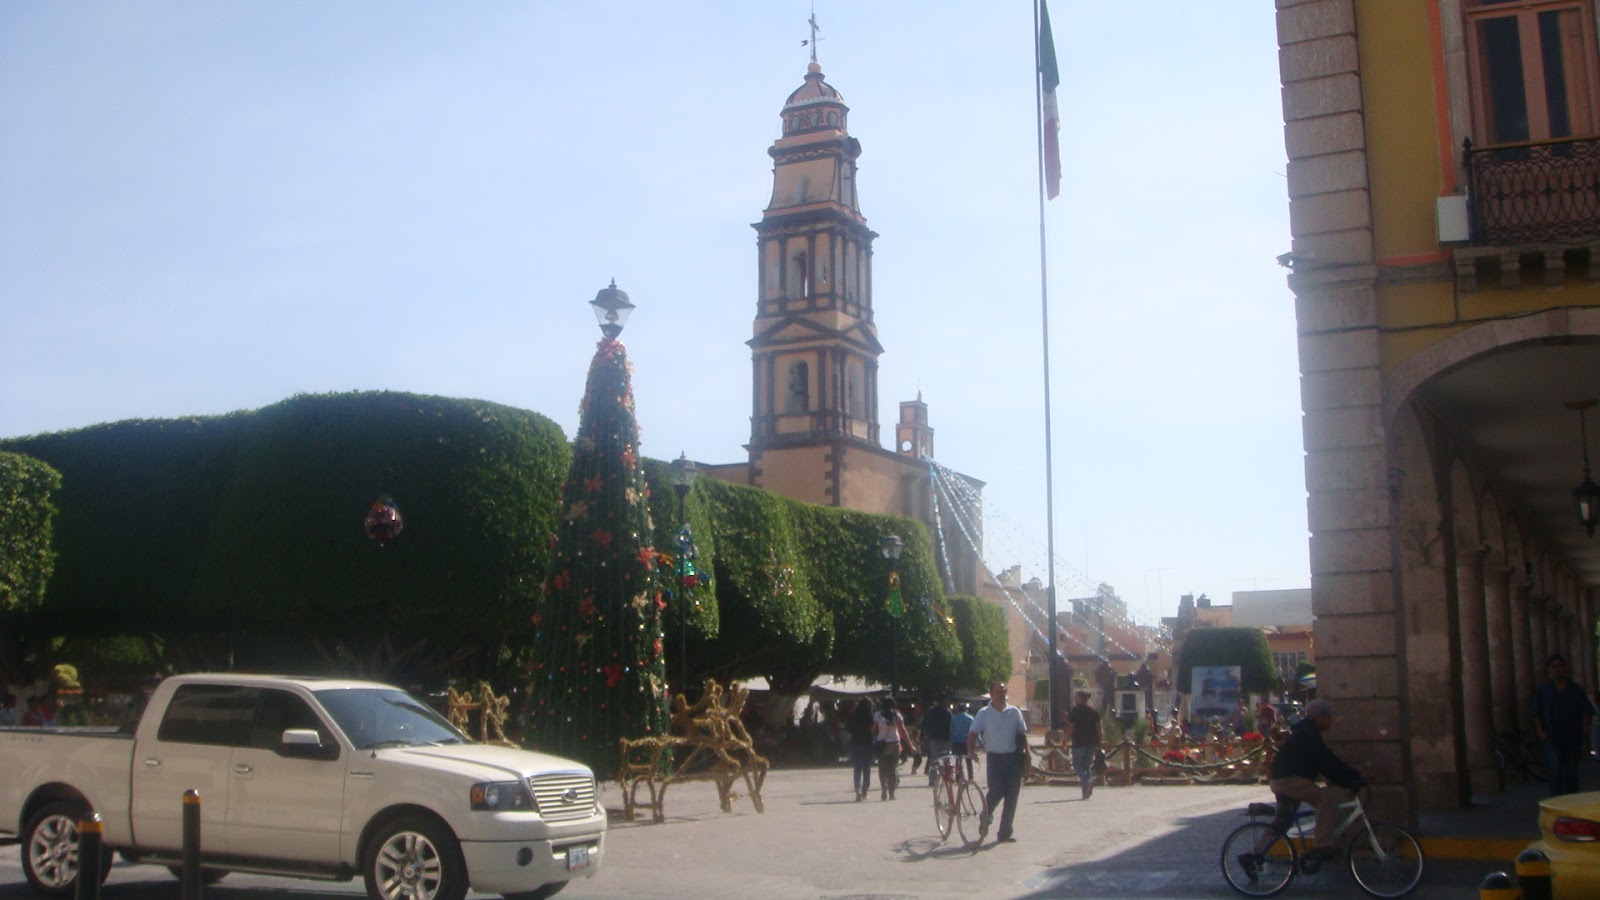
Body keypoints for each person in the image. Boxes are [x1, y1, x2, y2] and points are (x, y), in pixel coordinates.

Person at [1259, 699, 1364, 866]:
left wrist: (1351, 777)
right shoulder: (1308, 735)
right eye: (1329, 717)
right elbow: (1326, 763)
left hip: (1282, 779)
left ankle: (1254, 856)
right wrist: (1352, 779)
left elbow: (1327, 761)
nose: (1331, 721)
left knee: (1283, 821)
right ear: (1320, 717)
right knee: (1325, 799)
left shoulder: (1306, 732)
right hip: (1288, 780)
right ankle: (1323, 845)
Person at [967, 680, 1028, 844]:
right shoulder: (984, 713)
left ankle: (1005, 832)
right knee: (996, 791)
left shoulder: (1014, 712)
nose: (1001, 694)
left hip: (1013, 758)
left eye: (1003, 691)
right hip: (995, 759)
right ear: (991, 694)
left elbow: (1022, 735)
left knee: (1012, 796)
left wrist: (1027, 756)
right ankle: (986, 814)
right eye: (997, 692)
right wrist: (971, 751)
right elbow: (973, 732)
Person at [1531, 654, 1595, 796]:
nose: (1557, 670)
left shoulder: (1575, 689)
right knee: (1556, 769)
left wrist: (1586, 726)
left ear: (1565, 668)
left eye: (1560, 666)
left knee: (1571, 771)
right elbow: (1536, 713)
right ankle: (1557, 802)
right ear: (1549, 670)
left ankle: (1572, 800)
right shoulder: (1543, 690)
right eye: (1554, 667)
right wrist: (1540, 731)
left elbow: (1588, 709)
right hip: (1551, 736)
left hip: (1572, 735)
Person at [1066, 690, 1100, 800]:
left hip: (1079, 742)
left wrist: (1065, 740)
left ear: (1080, 698)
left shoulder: (1075, 711)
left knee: (1077, 767)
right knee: (1086, 767)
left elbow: (1071, 727)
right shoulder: (1093, 710)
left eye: (1076, 697)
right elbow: (1098, 728)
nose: (1074, 699)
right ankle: (1085, 793)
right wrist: (1099, 741)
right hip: (1091, 742)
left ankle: (1088, 782)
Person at [873, 697, 908, 800]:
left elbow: (873, 729)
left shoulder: (877, 715)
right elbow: (903, 731)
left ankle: (884, 791)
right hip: (895, 743)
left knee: (882, 769)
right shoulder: (897, 715)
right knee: (892, 769)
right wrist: (910, 745)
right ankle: (892, 794)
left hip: (882, 744)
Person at [846, 697, 875, 801]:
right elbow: (874, 730)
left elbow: (848, 728)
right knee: (867, 769)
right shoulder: (870, 716)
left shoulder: (853, 715)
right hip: (867, 743)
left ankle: (857, 791)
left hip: (855, 743)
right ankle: (864, 793)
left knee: (857, 769)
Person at [920, 695, 953, 785]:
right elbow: (951, 726)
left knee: (934, 759)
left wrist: (922, 736)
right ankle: (948, 778)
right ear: (943, 701)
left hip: (933, 738)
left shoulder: (930, 711)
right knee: (946, 759)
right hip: (946, 738)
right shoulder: (947, 712)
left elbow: (924, 724)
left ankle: (932, 780)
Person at [948, 701, 976, 781]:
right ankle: (971, 777)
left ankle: (958, 777)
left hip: (956, 742)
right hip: (967, 742)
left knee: (958, 760)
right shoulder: (970, 718)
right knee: (968, 760)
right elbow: (973, 731)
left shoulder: (954, 719)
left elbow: (951, 731)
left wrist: (950, 741)